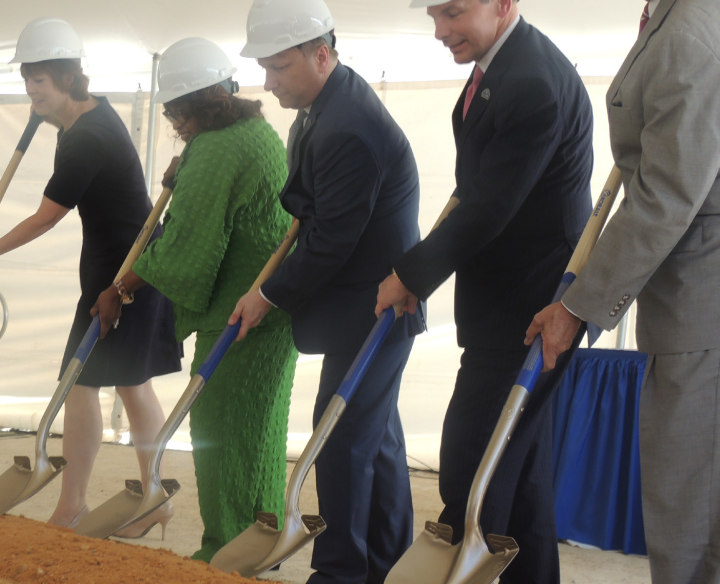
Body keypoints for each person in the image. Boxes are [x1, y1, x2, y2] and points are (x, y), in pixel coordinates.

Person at [373, 0, 593, 582]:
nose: (442, 31)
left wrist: (411, 274)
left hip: (534, 305)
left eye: (454, 13)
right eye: (433, 17)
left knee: (476, 461)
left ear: (503, 5)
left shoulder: (531, 81)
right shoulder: (503, 64)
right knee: (518, 477)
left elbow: (492, 206)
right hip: (510, 296)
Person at [0, 18, 182, 528]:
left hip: (129, 273)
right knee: (97, 385)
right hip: (113, 264)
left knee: (118, 385)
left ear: (70, 79)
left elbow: (46, 217)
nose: (33, 89)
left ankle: (138, 498)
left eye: (42, 81)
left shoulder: (85, 140)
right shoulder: (86, 121)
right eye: (28, 79)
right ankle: (105, 500)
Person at [228, 0, 424, 580]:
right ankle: (385, 563)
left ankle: (340, 572)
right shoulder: (320, 107)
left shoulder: (349, 127)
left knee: (340, 441)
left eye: (279, 67)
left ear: (322, 53)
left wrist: (268, 294)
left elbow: (332, 240)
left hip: (378, 305)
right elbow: (310, 212)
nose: (268, 81)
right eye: (264, 67)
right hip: (361, 304)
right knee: (376, 441)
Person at [525, 1, 720, 582]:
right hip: (691, 305)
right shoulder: (676, 16)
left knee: (688, 511)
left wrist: (578, 306)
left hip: (702, 308)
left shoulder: (690, 30)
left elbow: (665, 196)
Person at [91, 37, 299, 559]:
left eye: (175, 113)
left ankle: (225, 549)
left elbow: (188, 248)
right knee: (260, 432)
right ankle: (258, 542)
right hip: (274, 308)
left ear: (192, 104)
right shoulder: (254, 131)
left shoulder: (212, 150)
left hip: (240, 314)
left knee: (222, 436)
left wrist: (119, 288)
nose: (174, 124)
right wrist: (186, 176)